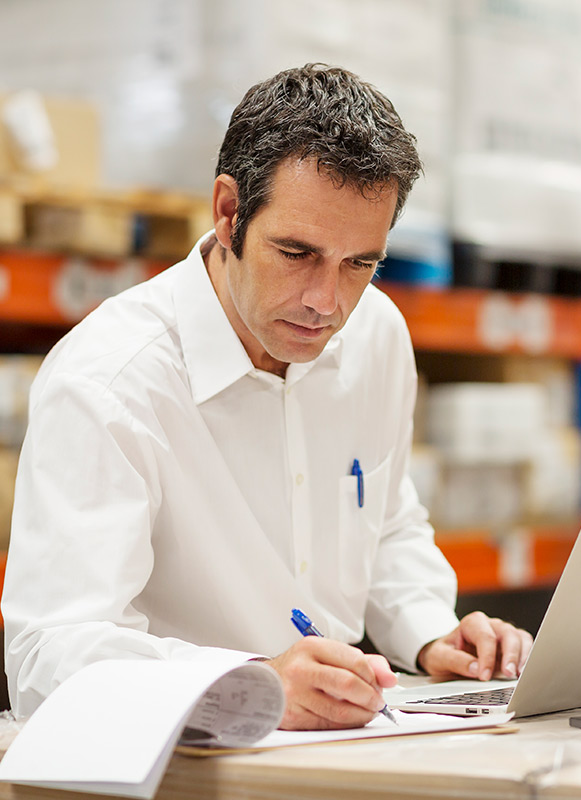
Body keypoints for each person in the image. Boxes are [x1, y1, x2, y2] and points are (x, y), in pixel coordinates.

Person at [2, 64, 532, 729]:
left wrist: (433, 635)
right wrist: (246, 686)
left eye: (360, 264)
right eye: (297, 252)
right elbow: (49, 659)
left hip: (339, 746)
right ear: (229, 214)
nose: (326, 302)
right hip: (183, 767)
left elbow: (386, 520)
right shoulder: (112, 382)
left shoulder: (376, 337)